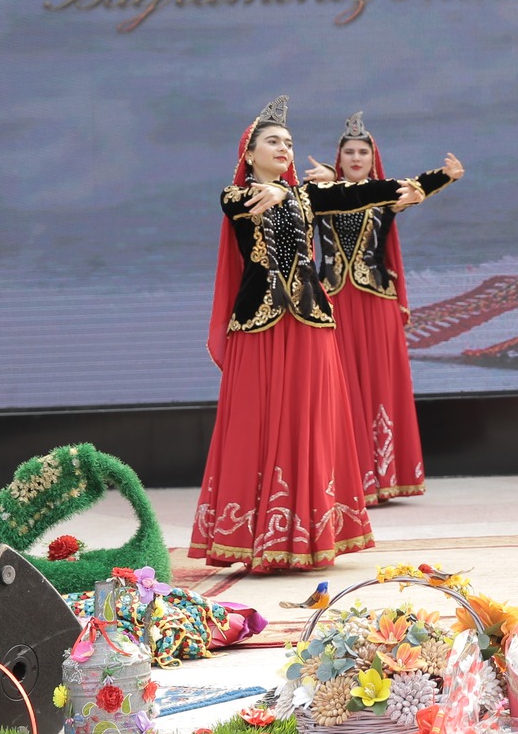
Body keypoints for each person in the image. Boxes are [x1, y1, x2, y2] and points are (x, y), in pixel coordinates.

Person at [189, 96, 409, 573]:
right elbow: (249, 204)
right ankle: (254, 537)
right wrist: (282, 195)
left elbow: (357, 193)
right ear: (249, 153)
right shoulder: (235, 195)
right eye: (273, 141)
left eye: (288, 142)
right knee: (257, 422)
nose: (284, 148)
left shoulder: (307, 197)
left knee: (311, 422)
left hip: (310, 324)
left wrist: (408, 188)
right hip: (259, 327)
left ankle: (310, 535)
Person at [318, 111, 463, 505]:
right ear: (339, 157)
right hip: (332, 299)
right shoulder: (318, 193)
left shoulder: (385, 194)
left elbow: (414, 186)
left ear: (372, 157)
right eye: (349, 151)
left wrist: (446, 176)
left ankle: (384, 476)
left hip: (376, 299)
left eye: (363, 151)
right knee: (340, 384)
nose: (356, 157)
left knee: (380, 382)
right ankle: (345, 477)